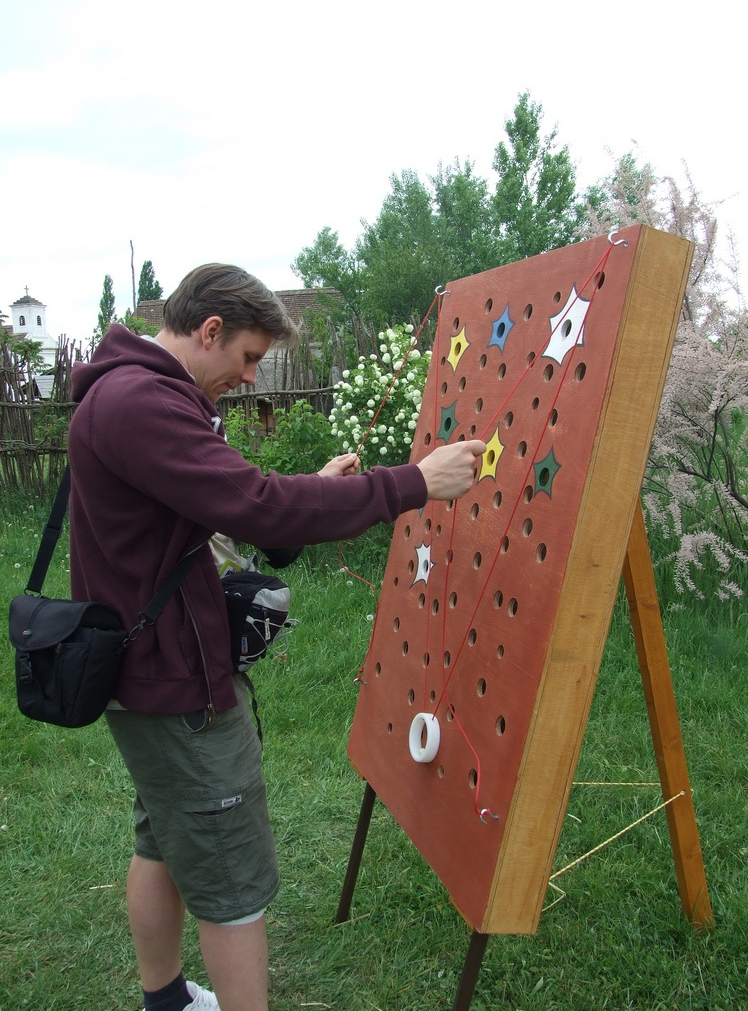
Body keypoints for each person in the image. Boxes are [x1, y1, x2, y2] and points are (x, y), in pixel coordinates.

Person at [67, 263, 486, 1011]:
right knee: (233, 883)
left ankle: (165, 1000)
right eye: (249, 358)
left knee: (160, 840)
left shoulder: (134, 391)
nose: (251, 378)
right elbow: (256, 506)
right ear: (210, 330)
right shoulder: (142, 402)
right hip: (175, 682)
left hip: (149, 671)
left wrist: (315, 491)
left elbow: (216, 506)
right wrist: (412, 483)